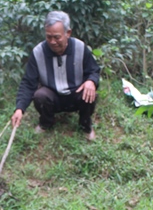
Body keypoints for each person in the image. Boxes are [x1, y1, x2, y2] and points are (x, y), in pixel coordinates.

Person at [10, 11, 101, 141]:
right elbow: (28, 83)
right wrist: (20, 108)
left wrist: (91, 81)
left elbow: (94, 70)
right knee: (40, 95)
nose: (52, 42)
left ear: (67, 33)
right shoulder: (38, 52)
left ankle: (85, 125)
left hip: (76, 94)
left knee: (89, 91)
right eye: (49, 37)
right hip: (52, 97)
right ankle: (46, 122)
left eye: (57, 37)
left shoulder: (80, 48)